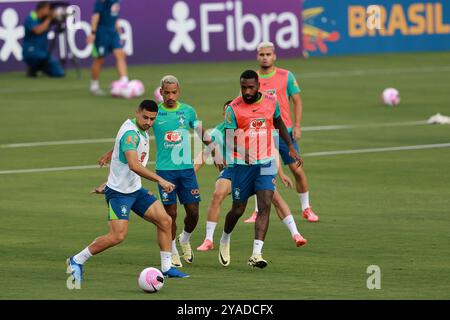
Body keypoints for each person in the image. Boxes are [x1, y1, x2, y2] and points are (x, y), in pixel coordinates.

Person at [98, 75, 218, 268]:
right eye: (166, 92)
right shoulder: (153, 114)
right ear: (160, 92)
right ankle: (172, 252)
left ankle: (185, 238)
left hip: (186, 169)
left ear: (179, 91)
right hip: (164, 171)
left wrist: (215, 151)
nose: (170, 96)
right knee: (170, 215)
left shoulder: (188, 111)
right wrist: (111, 152)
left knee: (193, 212)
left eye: (174, 92)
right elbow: (131, 136)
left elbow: (200, 131)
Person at [66, 100, 189, 285]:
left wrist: (110, 153)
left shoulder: (136, 128)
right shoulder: (131, 134)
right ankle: (77, 259)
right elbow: (134, 165)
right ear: (137, 113)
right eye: (145, 117)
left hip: (135, 189)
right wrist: (160, 180)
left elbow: (124, 146)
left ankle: (166, 267)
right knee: (117, 236)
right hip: (119, 195)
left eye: (152, 119)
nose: (148, 122)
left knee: (165, 221)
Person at [218, 70, 303, 269]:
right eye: (243, 87)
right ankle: (225, 238)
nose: (247, 91)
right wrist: (242, 150)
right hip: (242, 165)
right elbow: (229, 138)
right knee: (238, 209)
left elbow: (279, 122)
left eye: (250, 87)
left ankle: (256, 253)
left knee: (265, 205)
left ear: (258, 86)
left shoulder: (271, 101)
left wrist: (290, 146)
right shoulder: (233, 108)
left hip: (265, 163)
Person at [195, 101, 307, 251]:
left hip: (261, 167)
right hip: (235, 169)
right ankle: (209, 239)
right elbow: (203, 154)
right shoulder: (219, 131)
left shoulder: (260, 126)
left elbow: (273, 150)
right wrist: (190, 174)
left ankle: (296, 234)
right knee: (220, 195)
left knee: (275, 198)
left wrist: (281, 173)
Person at [244, 41, 319, 223]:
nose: (265, 57)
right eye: (262, 54)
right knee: (260, 171)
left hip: (285, 132)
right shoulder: (253, 79)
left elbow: (297, 100)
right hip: (263, 133)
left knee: (297, 170)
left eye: (268, 54)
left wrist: (298, 125)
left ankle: (306, 208)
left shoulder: (286, 76)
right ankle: (256, 211)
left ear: (274, 56)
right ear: (257, 56)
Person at [87, 0, 128, 95]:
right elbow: (95, 16)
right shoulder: (101, 1)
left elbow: (115, 16)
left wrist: (119, 30)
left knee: (120, 54)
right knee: (99, 59)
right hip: (102, 33)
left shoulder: (117, 1)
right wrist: (93, 33)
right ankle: (94, 85)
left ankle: (124, 81)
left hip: (113, 32)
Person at [22, 1, 65, 78]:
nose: (49, 11)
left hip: (43, 52)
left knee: (59, 73)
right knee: (42, 57)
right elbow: (38, 30)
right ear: (42, 9)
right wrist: (49, 19)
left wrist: (60, 16)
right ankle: (34, 68)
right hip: (31, 51)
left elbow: (59, 23)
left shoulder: (44, 19)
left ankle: (38, 69)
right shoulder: (32, 17)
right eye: (48, 9)